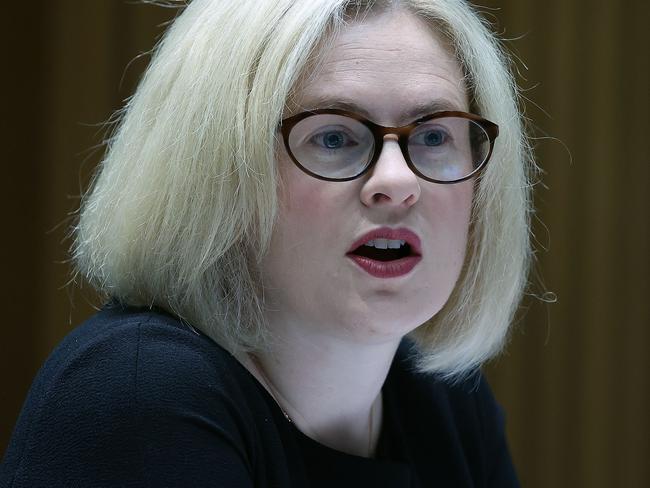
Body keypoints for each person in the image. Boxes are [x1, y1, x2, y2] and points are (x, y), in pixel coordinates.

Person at [1, 0, 533, 486]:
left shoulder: (443, 401)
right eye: (333, 137)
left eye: (435, 135)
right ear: (219, 175)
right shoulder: (140, 393)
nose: (397, 182)